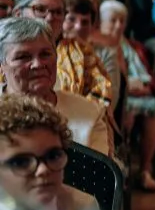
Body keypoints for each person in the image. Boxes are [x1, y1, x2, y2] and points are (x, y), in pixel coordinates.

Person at [0, 18, 111, 156]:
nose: (38, 64)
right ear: (1, 68)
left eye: (45, 54)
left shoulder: (89, 113)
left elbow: (100, 175)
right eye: (23, 57)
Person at [13, 0, 112, 109]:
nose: (49, 18)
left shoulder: (81, 51)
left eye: (58, 12)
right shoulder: (5, 51)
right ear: (18, 14)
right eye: (40, 9)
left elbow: (101, 91)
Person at [99, 1, 155, 191]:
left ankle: (145, 170)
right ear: (101, 22)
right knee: (127, 112)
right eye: (113, 21)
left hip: (136, 95)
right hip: (113, 97)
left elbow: (145, 76)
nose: (118, 26)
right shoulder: (97, 46)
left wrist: (141, 86)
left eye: (122, 21)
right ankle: (120, 168)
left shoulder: (129, 45)